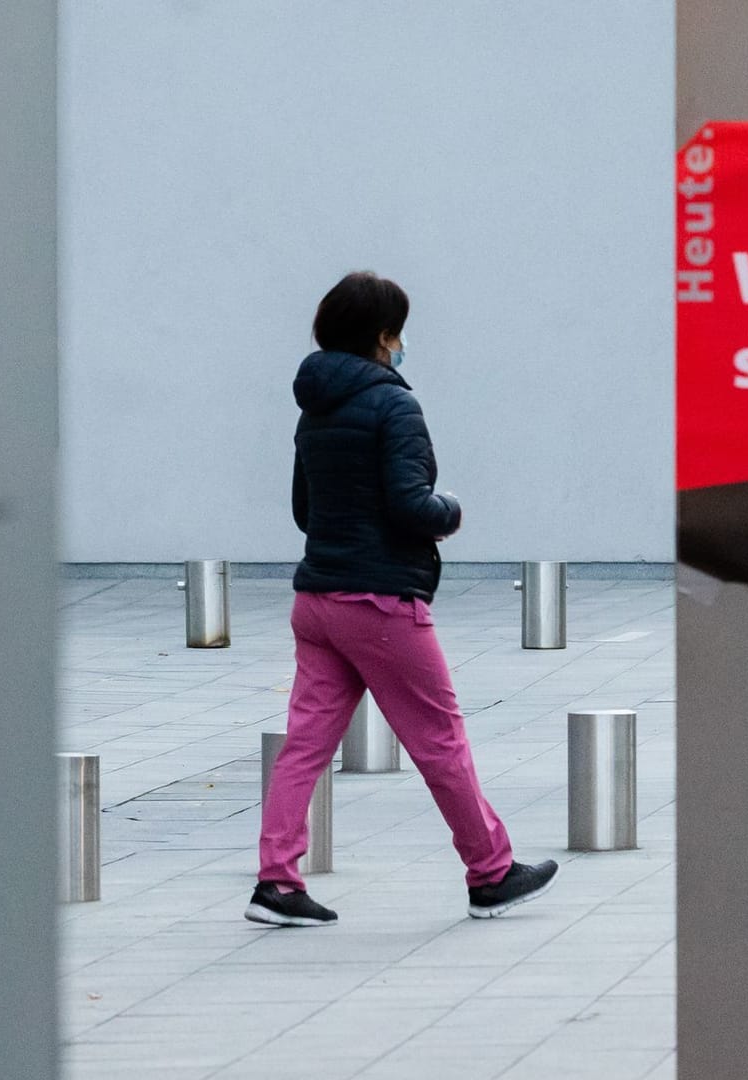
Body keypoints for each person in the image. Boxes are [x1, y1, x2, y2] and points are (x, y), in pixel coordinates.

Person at [244, 271, 558, 928]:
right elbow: (410, 504)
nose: (402, 342)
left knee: (304, 745)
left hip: (318, 601)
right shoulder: (395, 407)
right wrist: (450, 511)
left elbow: (305, 510)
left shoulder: (313, 408)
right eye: (398, 330)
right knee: (439, 739)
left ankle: (276, 882)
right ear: (383, 337)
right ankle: (491, 871)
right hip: (382, 602)